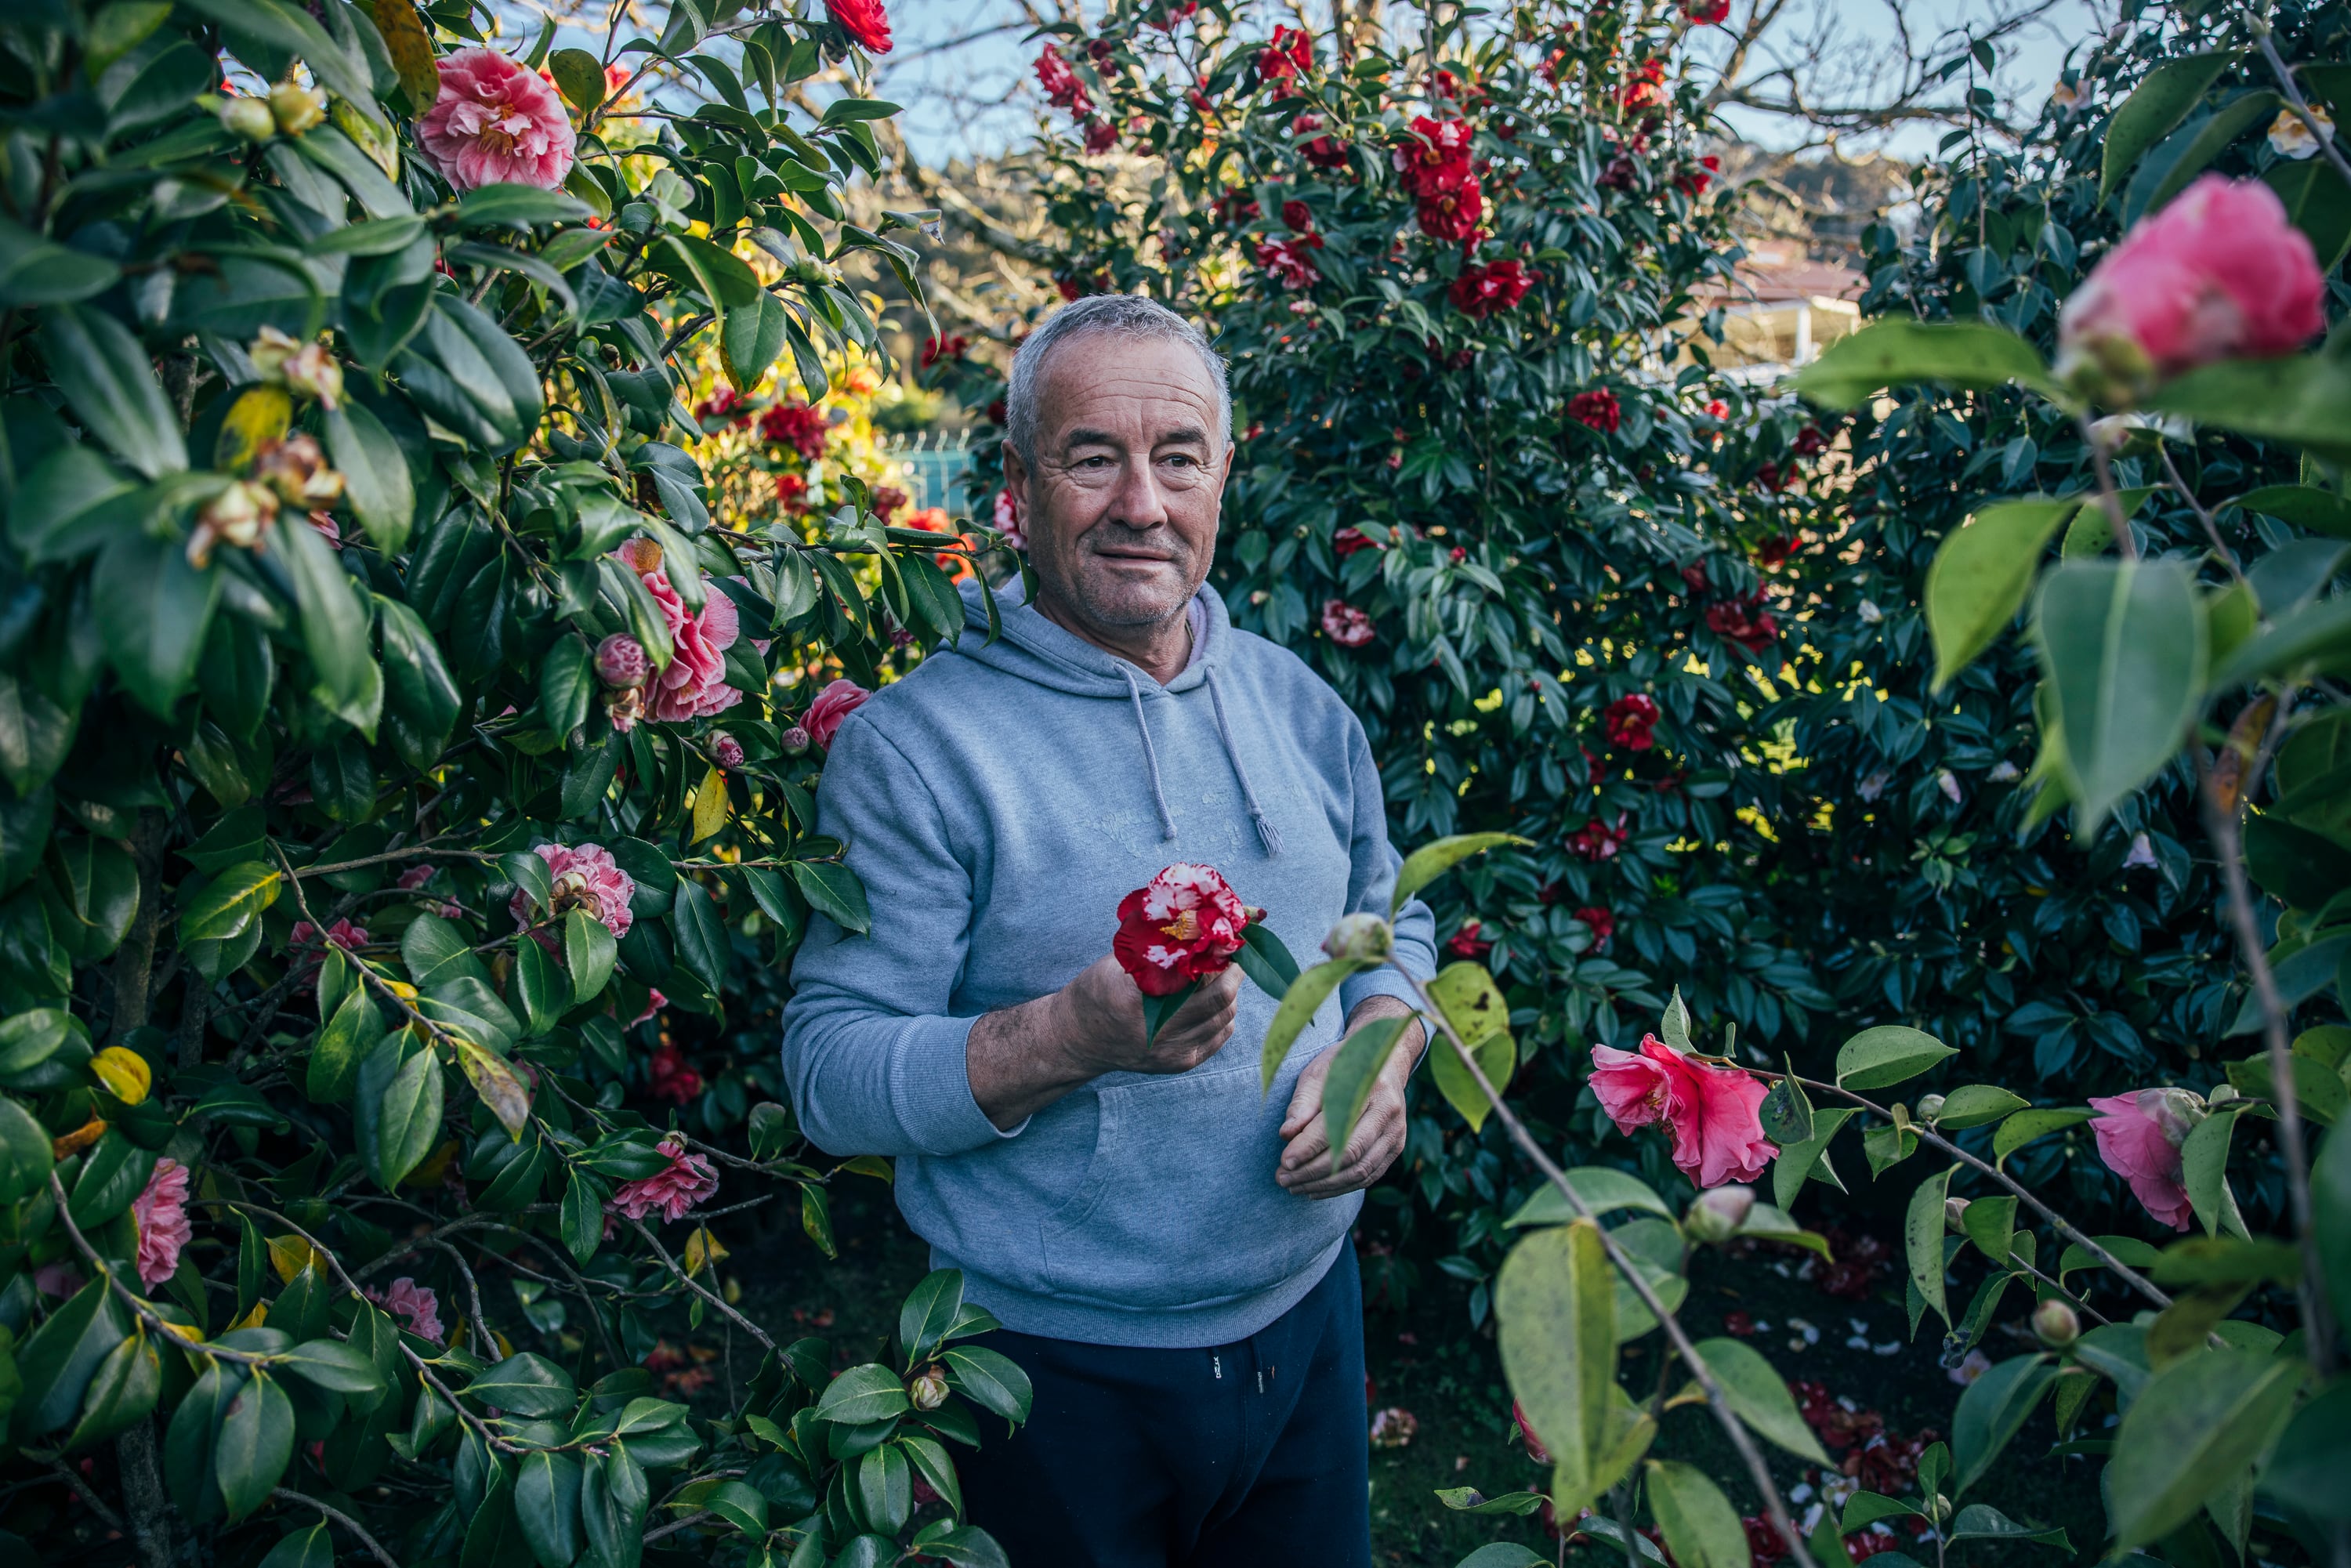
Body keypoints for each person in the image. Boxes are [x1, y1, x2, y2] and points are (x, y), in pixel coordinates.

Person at [780, 293, 1438, 1566]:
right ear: (1018, 481)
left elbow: (1390, 912)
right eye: (1094, 458)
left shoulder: (1299, 704)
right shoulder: (917, 747)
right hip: (1048, 1372)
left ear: (1223, 475)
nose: (1143, 502)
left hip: (1309, 1321)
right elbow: (829, 1073)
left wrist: (1384, 1048)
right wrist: (1065, 1038)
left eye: (1178, 457)